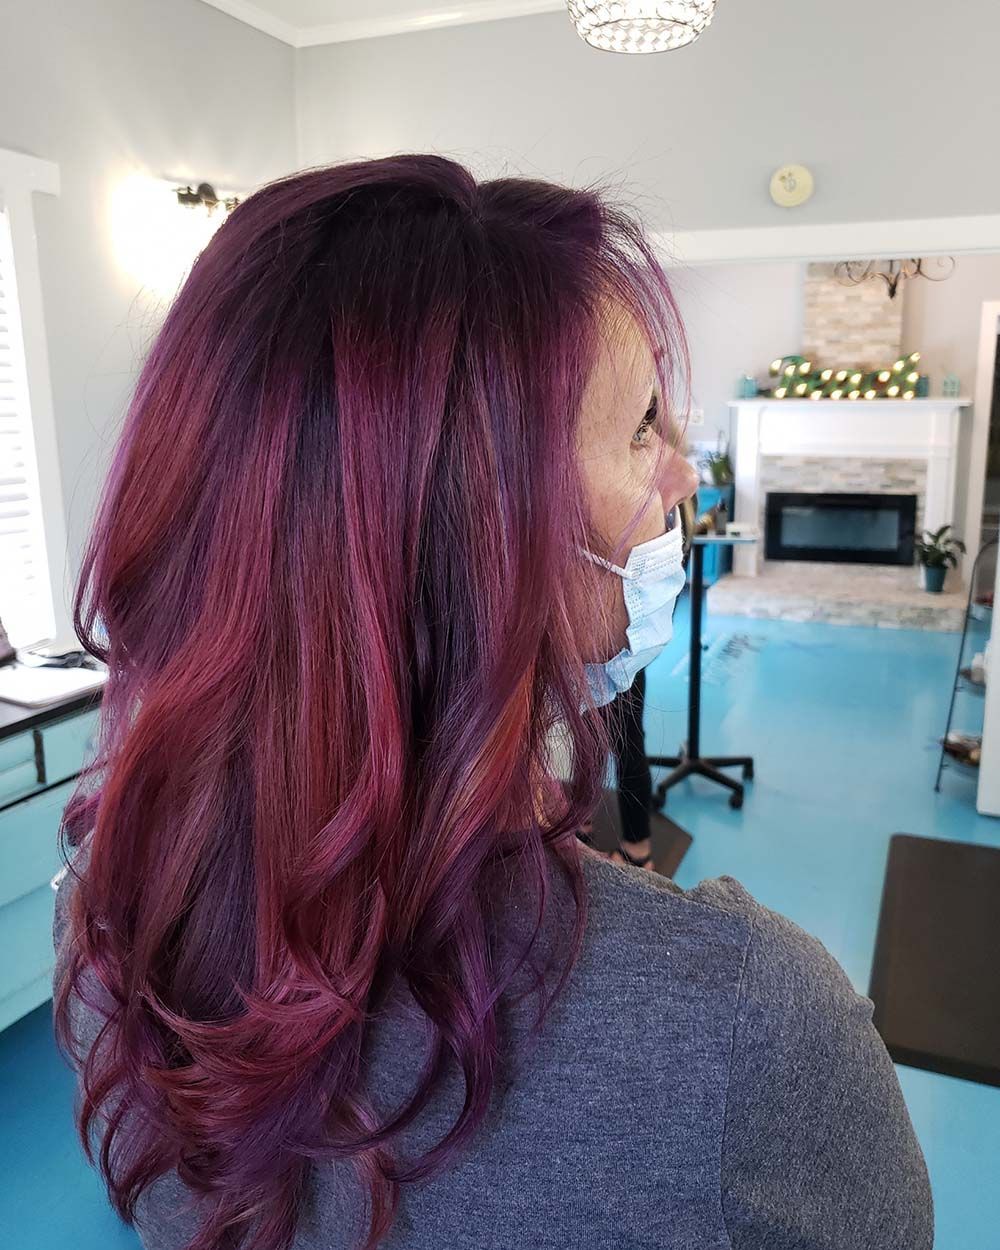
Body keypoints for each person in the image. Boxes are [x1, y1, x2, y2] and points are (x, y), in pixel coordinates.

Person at [53, 155, 933, 1250]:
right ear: (493, 537)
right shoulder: (751, 1026)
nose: (679, 479)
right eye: (642, 428)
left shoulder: (115, 935)